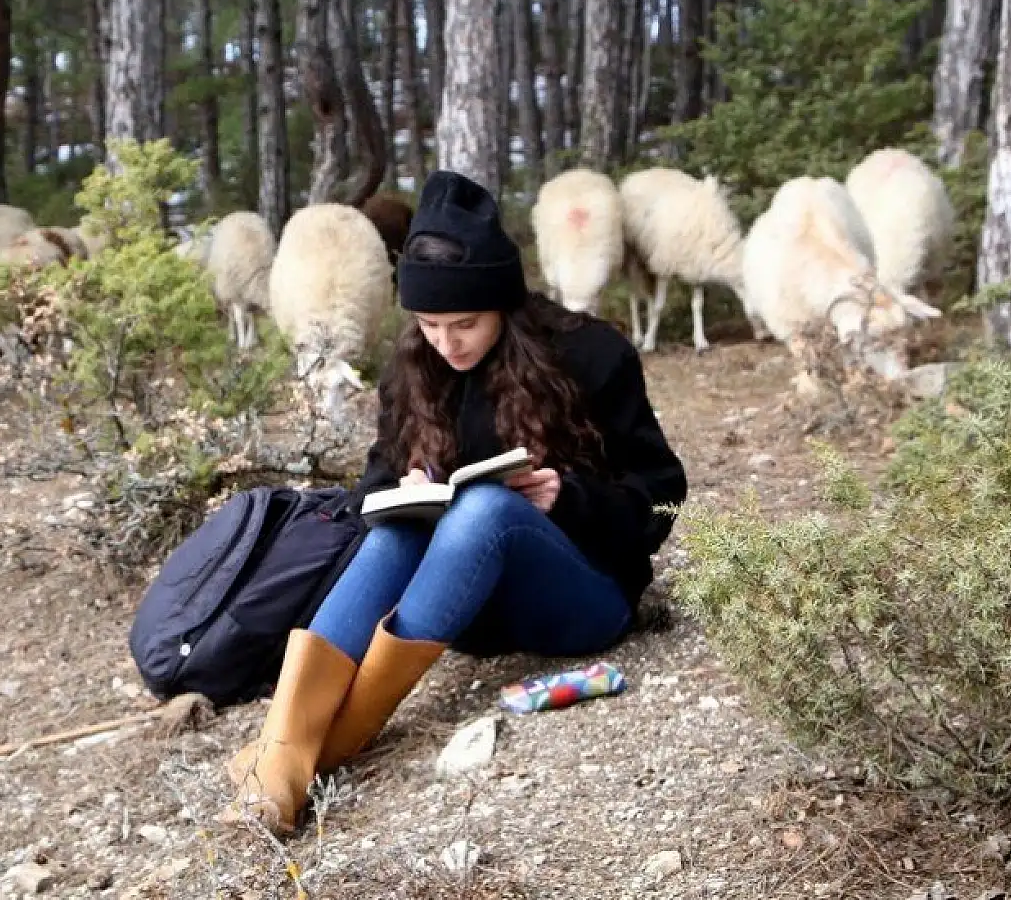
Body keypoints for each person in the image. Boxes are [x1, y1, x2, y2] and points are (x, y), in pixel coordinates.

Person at [224, 169, 688, 835]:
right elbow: (368, 493)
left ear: (503, 302)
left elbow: (662, 494)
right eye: (430, 323)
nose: (448, 342)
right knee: (394, 531)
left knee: (487, 510)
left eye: (465, 323)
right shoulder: (416, 367)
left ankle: (323, 751)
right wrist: (401, 493)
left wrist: (569, 497)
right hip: (467, 618)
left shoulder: (592, 354)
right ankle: (284, 752)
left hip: (581, 603)